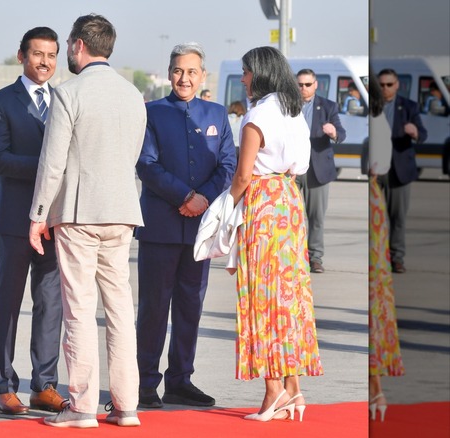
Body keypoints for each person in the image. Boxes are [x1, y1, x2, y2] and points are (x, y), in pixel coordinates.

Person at [28, 13, 146, 429]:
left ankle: (82, 408)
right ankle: (127, 405)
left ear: (78, 45)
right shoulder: (134, 94)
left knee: (79, 310)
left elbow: (52, 162)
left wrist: (37, 215)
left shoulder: (68, 92)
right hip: (122, 211)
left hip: (79, 212)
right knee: (119, 309)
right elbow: (131, 154)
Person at [135, 42, 236, 410]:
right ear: (169, 72)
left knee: (191, 307)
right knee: (153, 308)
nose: (184, 78)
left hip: (200, 231)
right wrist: (184, 197)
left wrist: (203, 199)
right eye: (178, 70)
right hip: (160, 227)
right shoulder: (151, 112)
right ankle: (145, 382)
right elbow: (146, 164)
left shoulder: (217, 113)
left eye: (192, 72)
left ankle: (180, 380)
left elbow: (228, 165)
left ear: (203, 76)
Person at [230, 46, 323, 422]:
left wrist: (224, 210)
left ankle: (273, 393)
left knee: (263, 297)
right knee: (291, 294)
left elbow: (243, 174)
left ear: (260, 73)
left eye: (246, 72)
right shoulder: (294, 112)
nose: (243, 78)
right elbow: (298, 167)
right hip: (288, 198)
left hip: (263, 203)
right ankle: (294, 389)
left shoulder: (258, 115)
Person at [0, 26, 66, 416]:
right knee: (8, 303)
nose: (44, 62)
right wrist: (49, 168)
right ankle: (3, 386)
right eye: (37, 54)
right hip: (15, 221)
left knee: (51, 304)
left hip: (55, 222)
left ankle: (44, 384)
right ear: (21, 56)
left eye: (51, 55)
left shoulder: (65, 100)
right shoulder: (0, 102)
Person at [366, 74, 405, 422]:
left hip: (370, 200)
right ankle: (375, 388)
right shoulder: (379, 120)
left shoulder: (372, 123)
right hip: (375, 201)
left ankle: (375, 387)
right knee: (376, 292)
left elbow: (373, 165)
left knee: (372, 293)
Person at [294, 68, 347, 274]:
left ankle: (315, 257)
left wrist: (333, 133)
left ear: (316, 85)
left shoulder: (327, 106)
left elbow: (341, 133)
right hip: (292, 169)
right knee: (291, 217)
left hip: (317, 170)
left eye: (308, 84)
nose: (304, 88)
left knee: (316, 217)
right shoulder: (287, 105)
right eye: (300, 84)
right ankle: (294, 256)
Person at [376, 68, 427, 273]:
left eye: (389, 84)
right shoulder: (373, 106)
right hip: (377, 171)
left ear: (397, 85)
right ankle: (378, 257)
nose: (385, 88)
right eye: (382, 85)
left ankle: (397, 257)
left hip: (399, 171)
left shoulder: (408, 107)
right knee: (376, 218)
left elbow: (423, 133)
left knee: (398, 218)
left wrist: (415, 133)